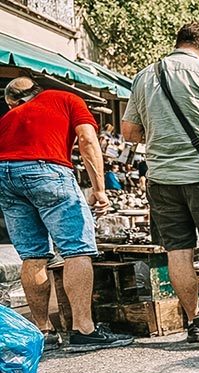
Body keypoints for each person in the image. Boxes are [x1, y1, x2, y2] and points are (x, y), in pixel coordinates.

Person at [121, 22, 199, 343]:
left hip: (161, 179)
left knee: (178, 251)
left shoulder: (146, 76)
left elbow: (130, 133)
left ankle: (193, 322)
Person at [0, 77, 134, 352]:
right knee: (77, 249)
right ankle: (84, 330)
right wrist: (100, 190)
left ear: (13, 101)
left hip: (5, 175)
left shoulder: (8, 118)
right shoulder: (68, 99)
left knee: (32, 254)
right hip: (47, 171)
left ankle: (43, 332)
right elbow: (87, 140)